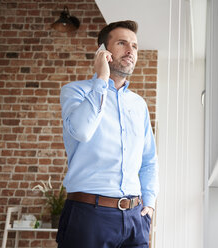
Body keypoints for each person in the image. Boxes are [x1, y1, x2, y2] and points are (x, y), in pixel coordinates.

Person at [56, 20, 159, 248]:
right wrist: (101, 79)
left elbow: (149, 160)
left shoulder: (138, 104)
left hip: (135, 220)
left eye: (134, 46)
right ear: (103, 51)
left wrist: (149, 204)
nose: (130, 51)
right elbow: (82, 131)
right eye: (122, 43)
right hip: (89, 216)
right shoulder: (75, 91)